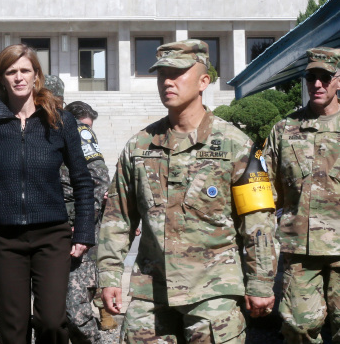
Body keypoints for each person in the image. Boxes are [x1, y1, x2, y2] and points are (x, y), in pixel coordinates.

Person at [97, 39, 278, 343]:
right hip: (151, 290)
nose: (167, 81)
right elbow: (118, 218)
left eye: (178, 73)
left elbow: (258, 220)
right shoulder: (139, 146)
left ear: (203, 81)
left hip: (213, 289)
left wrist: (260, 282)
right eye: (162, 74)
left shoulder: (239, 145)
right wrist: (110, 275)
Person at [0, 44, 95, 344]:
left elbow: (82, 180)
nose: (19, 77)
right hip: (3, 239)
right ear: (1, 78)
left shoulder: (60, 122)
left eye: (25, 70)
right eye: (11, 72)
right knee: (13, 329)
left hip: (52, 235)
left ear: (36, 75)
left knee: (52, 321)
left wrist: (84, 231)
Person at [263, 47, 340, 343]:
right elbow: (266, 189)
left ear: (338, 80)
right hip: (299, 251)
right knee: (297, 328)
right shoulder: (285, 130)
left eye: (325, 77)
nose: (317, 84)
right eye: (311, 76)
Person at [61, 100, 110, 343]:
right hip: (50, 232)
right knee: (51, 315)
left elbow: (99, 181)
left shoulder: (80, 133)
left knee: (76, 311)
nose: (86, 132)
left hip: (77, 237)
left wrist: (83, 224)